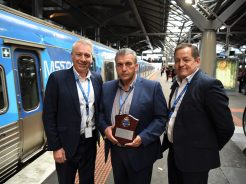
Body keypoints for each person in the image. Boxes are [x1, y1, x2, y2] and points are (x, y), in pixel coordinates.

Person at [161, 43, 235, 184]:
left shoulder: (209, 86)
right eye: (177, 60)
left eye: (186, 59)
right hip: (174, 154)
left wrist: (205, 149)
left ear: (197, 61)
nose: (180, 64)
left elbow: (226, 127)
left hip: (196, 161)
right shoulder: (177, 84)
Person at [98, 48, 168, 184]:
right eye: (119, 64)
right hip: (116, 151)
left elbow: (161, 119)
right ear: (115, 66)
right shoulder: (107, 87)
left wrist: (142, 138)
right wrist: (105, 129)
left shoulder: (152, 87)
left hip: (140, 152)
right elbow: (100, 114)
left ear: (136, 67)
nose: (124, 68)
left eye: (128, 64)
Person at [42, 38, 103, 184]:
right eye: (79, 54)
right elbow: (49, 115)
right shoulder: (57, 79)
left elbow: (99, 108)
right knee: (66, 181)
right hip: (66, 144)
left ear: (91, 58)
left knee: (88, 180)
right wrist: (56, 147)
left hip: (89, 142)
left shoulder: (97, 78)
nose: (83, 59)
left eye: (87, 55)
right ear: (71, 56)